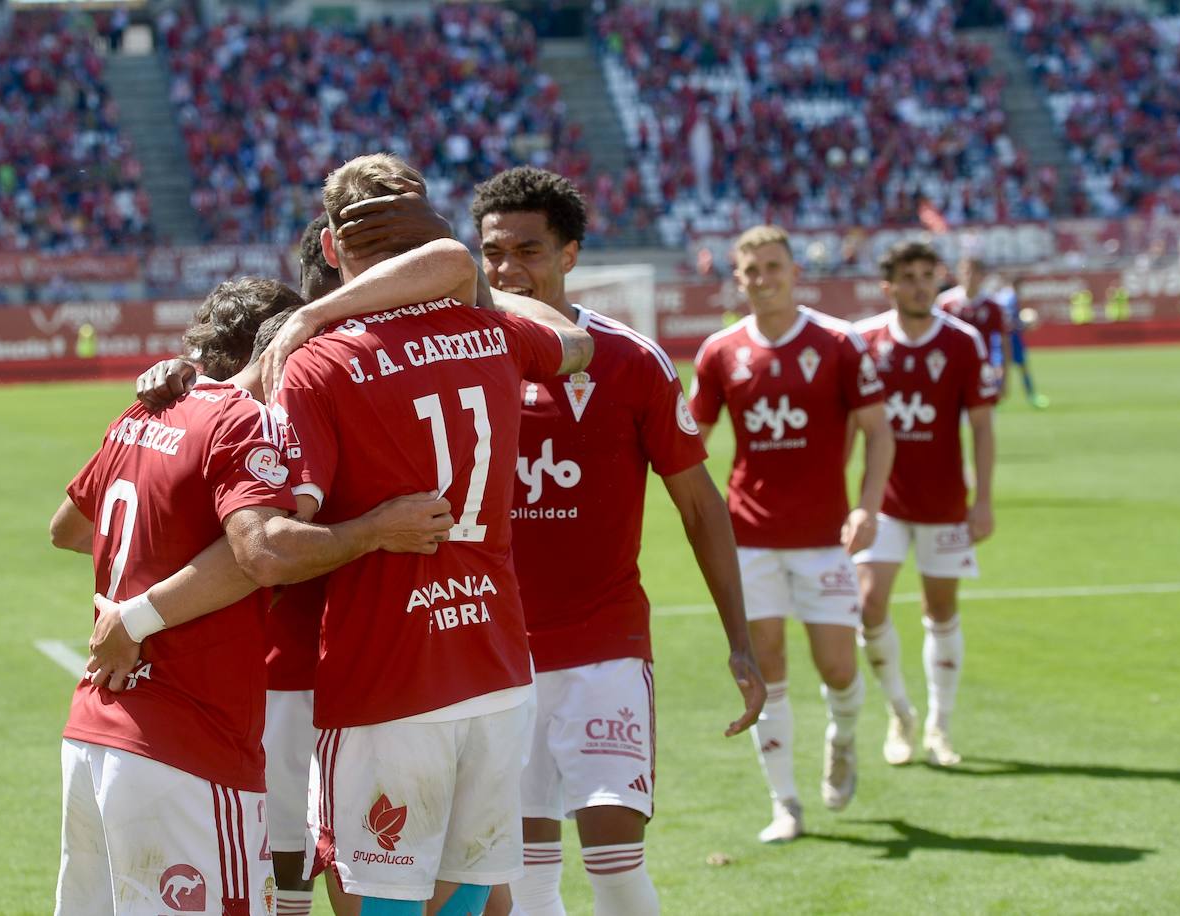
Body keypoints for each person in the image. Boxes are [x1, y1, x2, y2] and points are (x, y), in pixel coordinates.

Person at [283, 165, 766, 915]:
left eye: (528, 252)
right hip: (491, 658)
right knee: (513, 883)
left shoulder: (624, 359)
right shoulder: (486, 338)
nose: (509, 268)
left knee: (604, 861)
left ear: (570, 254)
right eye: (492, 253)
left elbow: (700, 505)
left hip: (567, 650)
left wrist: (741, 639)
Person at [48, 276, 454, 916]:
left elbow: (68, 529)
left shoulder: (146, 410)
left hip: (96, 730)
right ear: (276, 353)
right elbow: (262, 554)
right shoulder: (248, 424)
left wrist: (163, 548)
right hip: (188, 740)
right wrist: (375, 528)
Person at [129, 221, 484, 916]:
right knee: (326, 865)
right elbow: (261, 554)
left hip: (368, 661)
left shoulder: (326, 371)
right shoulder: (269, 402)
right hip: (319, 667)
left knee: (400, 867)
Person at [271, 153, 593, 916]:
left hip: (389, 676)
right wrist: (478, 288)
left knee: (379, 903)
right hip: (494, 667)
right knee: (467, 904)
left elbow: (279, 540)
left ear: (327, 247)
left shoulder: (318, 363)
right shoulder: (495, 331)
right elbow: (575, 342)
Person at [689, 225, 894, 843]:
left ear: (794, 271)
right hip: (749, 537)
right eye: (751, 271)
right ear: (738, 277)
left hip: (824, 537)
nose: (762, 280)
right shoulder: (721, 350)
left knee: (836, 667)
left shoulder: (839, 341)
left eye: (773, 267)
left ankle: (844, 736)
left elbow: (878, 431)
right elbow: (690, 440)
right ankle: (786, 804)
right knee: (766, 663)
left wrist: (868, 508)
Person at [853, 240, 999, 768]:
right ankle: (900, 713)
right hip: (883, 501)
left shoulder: (963, 342)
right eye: (908, 277)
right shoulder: (865, 341)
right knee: (868, 606)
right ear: (888, 286)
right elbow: (849, 423)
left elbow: (982, 426)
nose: (920, 285)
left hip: (943, 503)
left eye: (927, 276)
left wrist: (983, 501)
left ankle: (939, 724)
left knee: (940, 610)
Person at [935, 256, 1005, 398]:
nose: (969, 276)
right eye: (966, 271)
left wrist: (1003, 373)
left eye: (974, 272)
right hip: (951, 369)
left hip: (982, 369)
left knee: (982, 416)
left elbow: (1003, 340)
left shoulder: (993, 305)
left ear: (982, 276)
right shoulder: (945, 303)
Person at [991, 275, 1050, 409]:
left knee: (1001, 369)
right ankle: (1031, 396)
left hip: (999, 338)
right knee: (1019, 368)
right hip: (1010, 338)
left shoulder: (1001, 296)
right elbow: (1010, 322)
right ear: (1016, 285)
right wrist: (1025, 325)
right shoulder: (1011, 298)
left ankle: (996, 398)